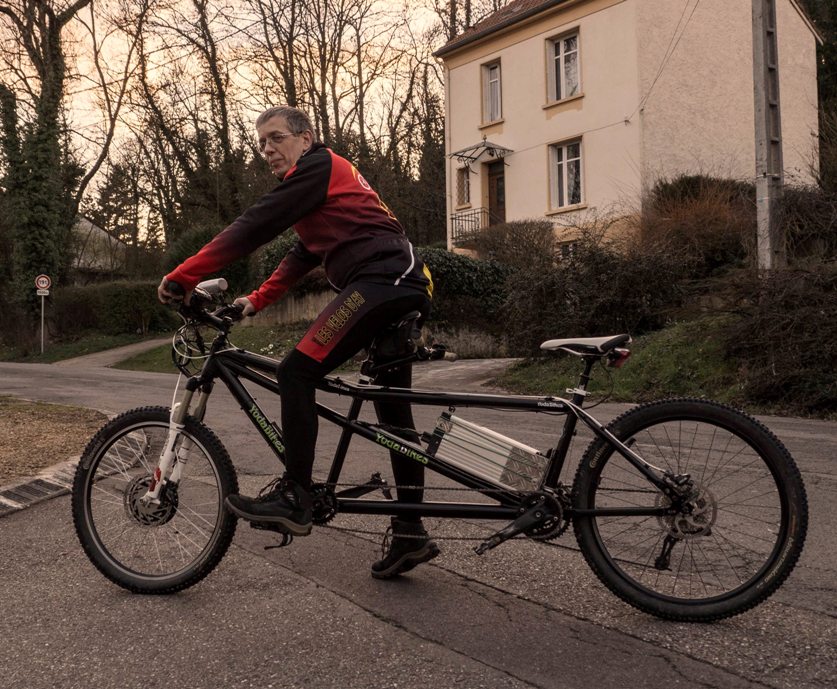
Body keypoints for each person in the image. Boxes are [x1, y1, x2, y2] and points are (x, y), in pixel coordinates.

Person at [158, 106, 438, 579]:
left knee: (296, 371)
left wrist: (184, 275)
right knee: (393, 414)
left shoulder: (319, 167)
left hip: (383, 280)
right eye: (261, 142)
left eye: (276, 138)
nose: (267, 148)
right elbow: (303, 252)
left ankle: (296, 495)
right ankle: (410, 532)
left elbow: (253, 226)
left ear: (305, 138)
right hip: (401, 282)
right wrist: (255, 301)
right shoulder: (321, 188)